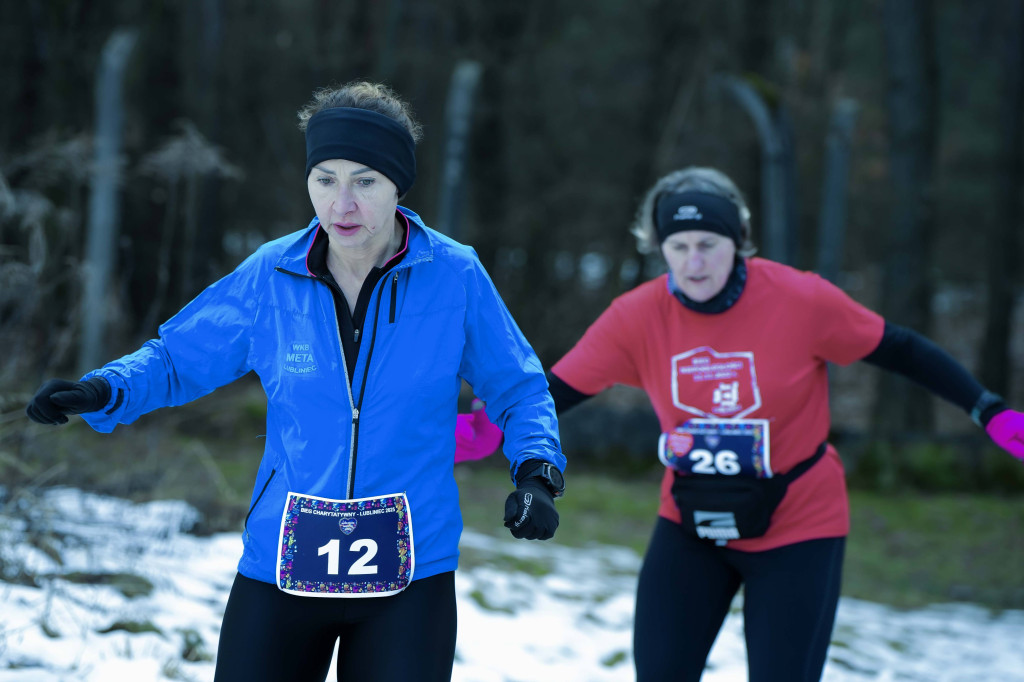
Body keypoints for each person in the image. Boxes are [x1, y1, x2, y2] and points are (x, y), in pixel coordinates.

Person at [25, 80, 566, 682]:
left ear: (397, 187)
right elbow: (179, 358)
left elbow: (519, 389)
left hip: (409, 575)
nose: (343, 204)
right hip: (281, 564)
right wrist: (106, 389)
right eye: (325, 179)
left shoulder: (455, 276)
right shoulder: (272, 274)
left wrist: (537, 473)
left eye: (365, 181)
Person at [458, 166, 1024, 681]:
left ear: (740, 241)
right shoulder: (638, 316)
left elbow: (899, 348)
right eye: (678, 247)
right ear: (661, 249)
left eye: (709, 244)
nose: (694, 262)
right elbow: (554, 393)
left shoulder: (800, 300)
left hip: (798, 524)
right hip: (690, 520)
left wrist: (988, 410)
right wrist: (489, 431)